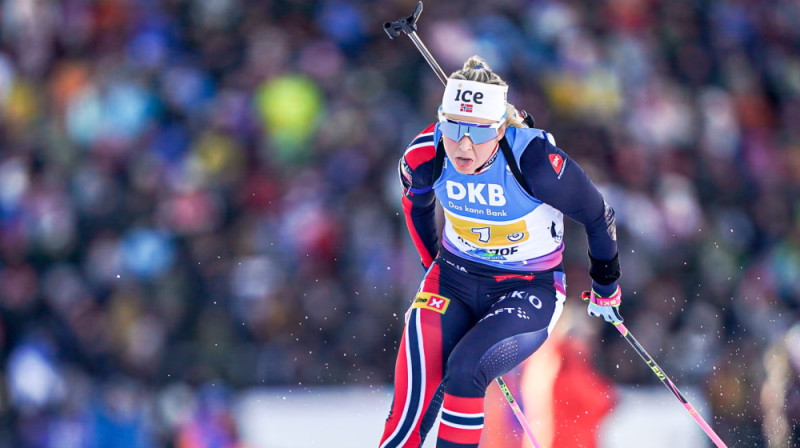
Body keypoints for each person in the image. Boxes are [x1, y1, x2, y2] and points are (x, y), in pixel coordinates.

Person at [379, 55, 623, 448]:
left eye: (477, 132)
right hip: (454, 278)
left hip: (528, 287)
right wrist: (432, 269)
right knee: (409, 411)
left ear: (499, 129)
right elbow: (416, 207)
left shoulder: (536, 161)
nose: (462, 144)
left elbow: (599, 216)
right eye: (453, 127)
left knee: (465, 369)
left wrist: (606, 286)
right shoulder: (425, 154)